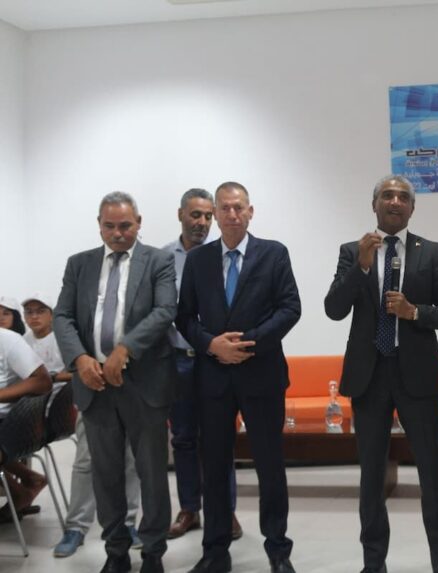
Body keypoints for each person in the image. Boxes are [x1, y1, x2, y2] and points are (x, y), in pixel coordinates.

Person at [324, 174, 438, 573]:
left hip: (417, 377)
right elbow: (334, 309)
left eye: (403, 196)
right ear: (375, 205)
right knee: (371, 476)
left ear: (412, 208)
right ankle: (373, 564)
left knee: (432, 474)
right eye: (387, 195)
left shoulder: (430, 252)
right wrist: (361, 267)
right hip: (369, 377)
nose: (395, 201)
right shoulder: (353, 251)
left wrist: (414, 312)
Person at [177, 181, 301, 573]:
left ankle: (278, 550)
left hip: (262, 375)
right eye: (225, 208)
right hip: (213, 379)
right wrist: (212, 345)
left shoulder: (273, 253)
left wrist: (247, 343)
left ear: (250, 212)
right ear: (215, 214)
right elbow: (184, 317)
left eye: (239, 207)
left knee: (270, 466)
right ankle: (215, 552)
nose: (232, 214)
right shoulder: (198, 260)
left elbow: (290, 308)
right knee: (214, 468)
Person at [54, 191, 177, 573]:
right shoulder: (80, 264)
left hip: (145, 385)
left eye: (125, 225)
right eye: (110, 226)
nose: (118, 233)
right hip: (95, 386)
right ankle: (116, 552)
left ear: (138, 223)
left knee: (152, 475)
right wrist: (80, 358)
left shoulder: (158, 260)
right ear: (99, 225)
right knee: (105, 476)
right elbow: (62, 316)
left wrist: (126, 349)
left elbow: (165, 310)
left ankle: (153, 552)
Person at [21, 293, 144, 558]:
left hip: (131, 383)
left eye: (39, 310)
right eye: (29, 311)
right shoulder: (79, 300)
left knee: (130, 458)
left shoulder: (135, 293)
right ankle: (76, 527)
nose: (34, 316)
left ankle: (128, 523)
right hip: (91, 389)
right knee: (86, 461)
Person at [162, 188, 242, 542]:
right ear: (180, 214)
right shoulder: (162, 259)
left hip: (215, 362)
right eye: (196, 215)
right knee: (183, 439)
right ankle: (189, 508)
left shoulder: (221, 254)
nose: (203, 222)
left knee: (219, 439)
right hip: (178, 361)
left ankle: (225, 511)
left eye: (208, 215)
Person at [0, 296, 51, 522]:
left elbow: (43, 381)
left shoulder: (8, 340)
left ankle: (21, 489)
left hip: (10, 423)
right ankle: (25, 484)